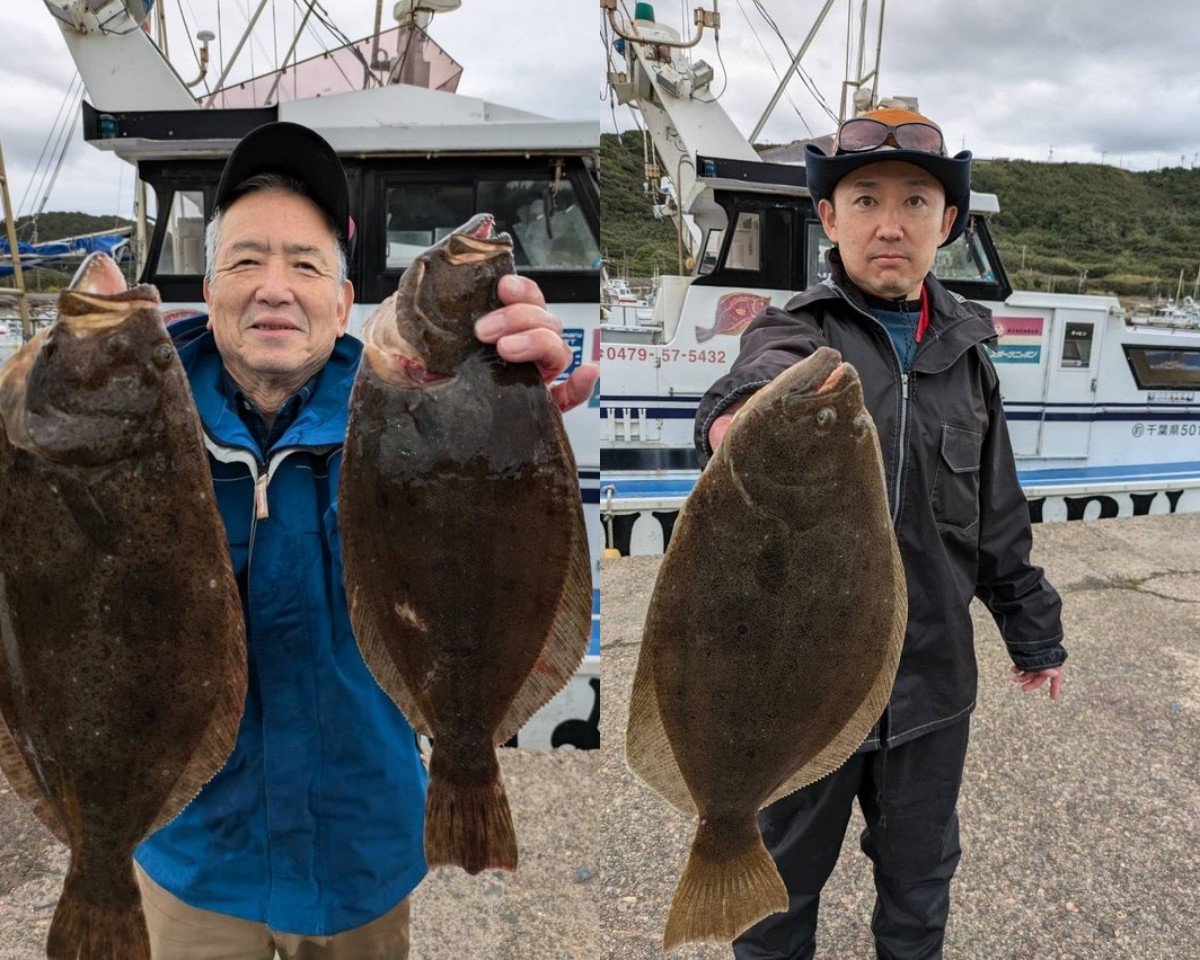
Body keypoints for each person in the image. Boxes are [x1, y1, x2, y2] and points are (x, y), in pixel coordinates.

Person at [130, 121, 598, 959]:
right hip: (190, 854)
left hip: (360, 851)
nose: (275, 286)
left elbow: (505, 566)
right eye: (245, 260)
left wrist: (526, 439)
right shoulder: (135, 420)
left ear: (346, 303)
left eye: (306, 264)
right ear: (209, 289)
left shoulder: (395, 409)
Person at [693, 107, 1066, 960]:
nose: (888, 225)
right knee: (775, 903)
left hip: (931, 691)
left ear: (949, 224)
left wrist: (1032, 629)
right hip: (802, 696)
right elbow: (749, 385)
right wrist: (740, 423)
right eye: (863, 201)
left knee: (918, 893)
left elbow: (997, 513)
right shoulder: (798, 332)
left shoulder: (971, 354)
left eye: (914, 202)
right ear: (829, 219)